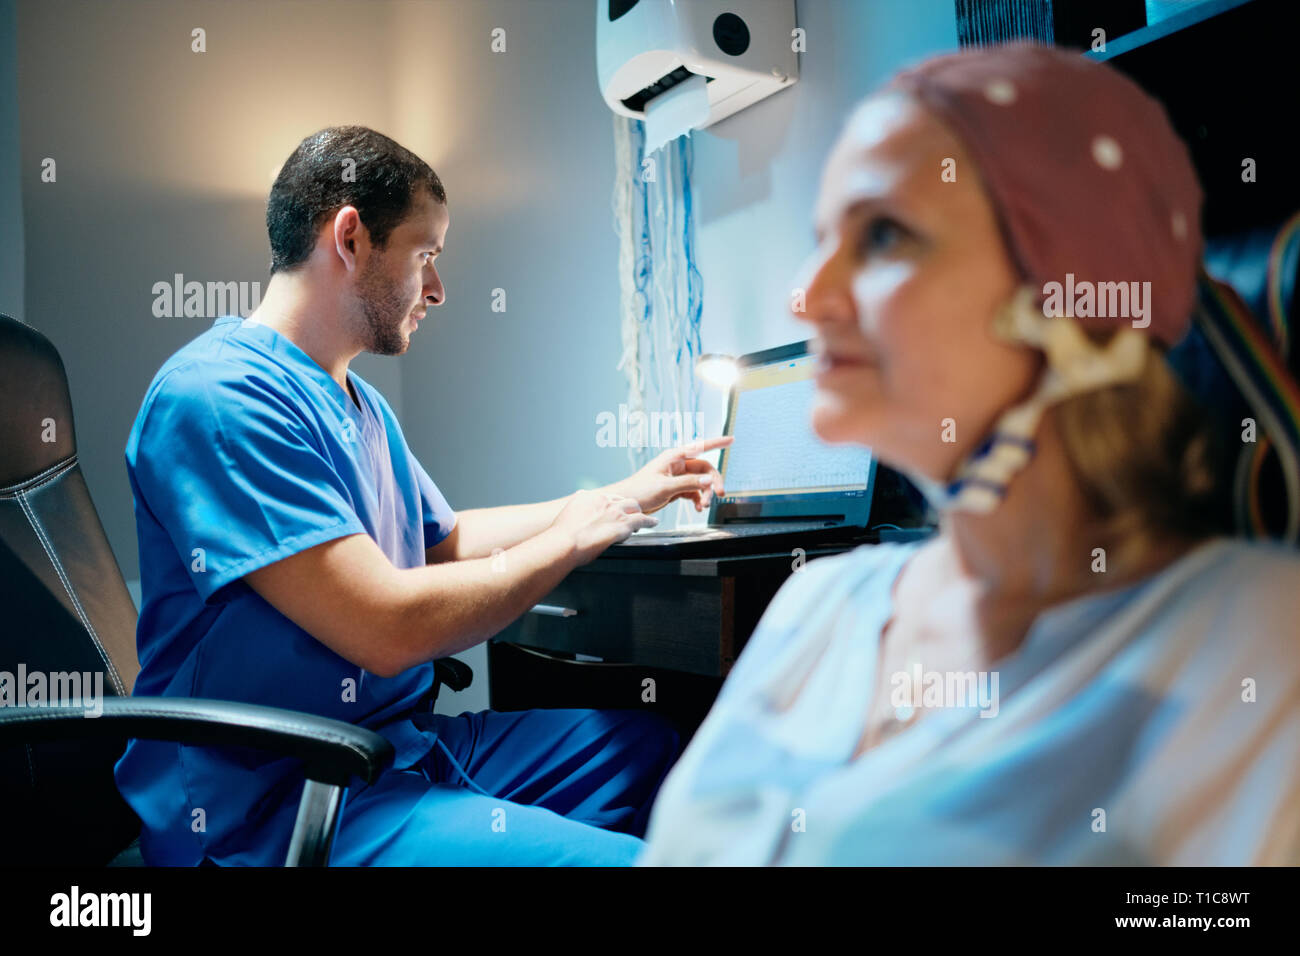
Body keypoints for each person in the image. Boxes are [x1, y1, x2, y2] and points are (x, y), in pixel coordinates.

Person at [638, 43, 1300, 865]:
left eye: (883, 235)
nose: (806, 295)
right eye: (822, 237)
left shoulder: (1253, 650)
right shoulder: (819, 602)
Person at [116, 125, 731, 866]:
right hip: (282, 801)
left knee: (657, 748)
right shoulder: (217, 397)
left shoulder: (359, 403)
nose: (437, 288)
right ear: (350, 237)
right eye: (425, 254)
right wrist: (565, 541)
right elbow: (386, 629)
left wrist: (619, 497)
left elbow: (442, 540)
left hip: (394, 750)